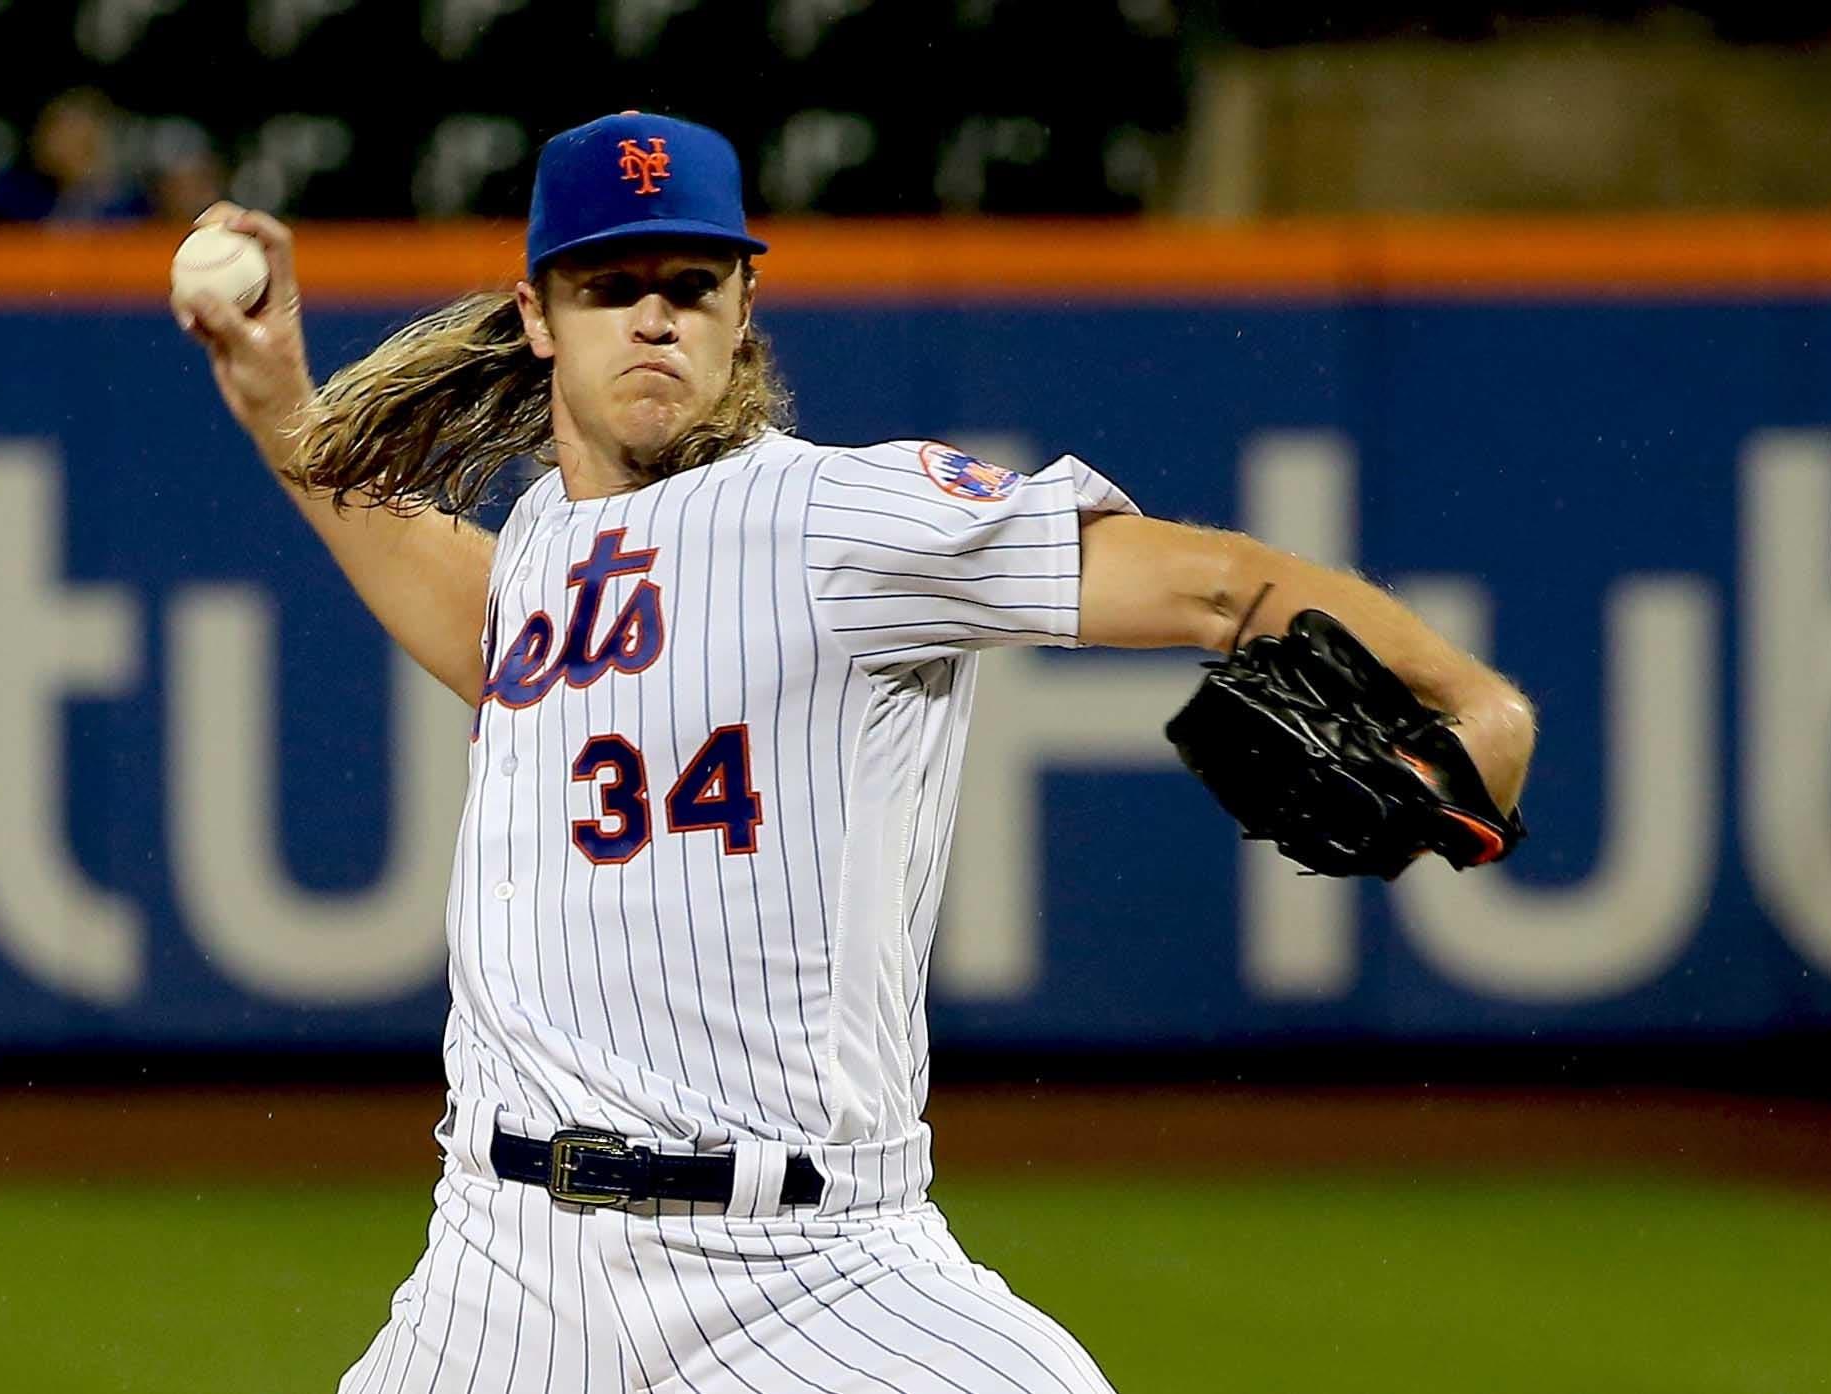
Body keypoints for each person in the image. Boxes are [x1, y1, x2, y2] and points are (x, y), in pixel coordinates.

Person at [180, 111, 1534, 1394]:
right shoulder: (539, 543)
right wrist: (280, 406)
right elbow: (482, 627)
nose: (655, 313)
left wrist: (1473, 697)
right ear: (537, 314)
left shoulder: (840, 516)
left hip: (811, 1268)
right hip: (503, 1259)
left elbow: (1209, 584)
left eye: (693, 282)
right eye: (611, 282)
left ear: (742, 313)